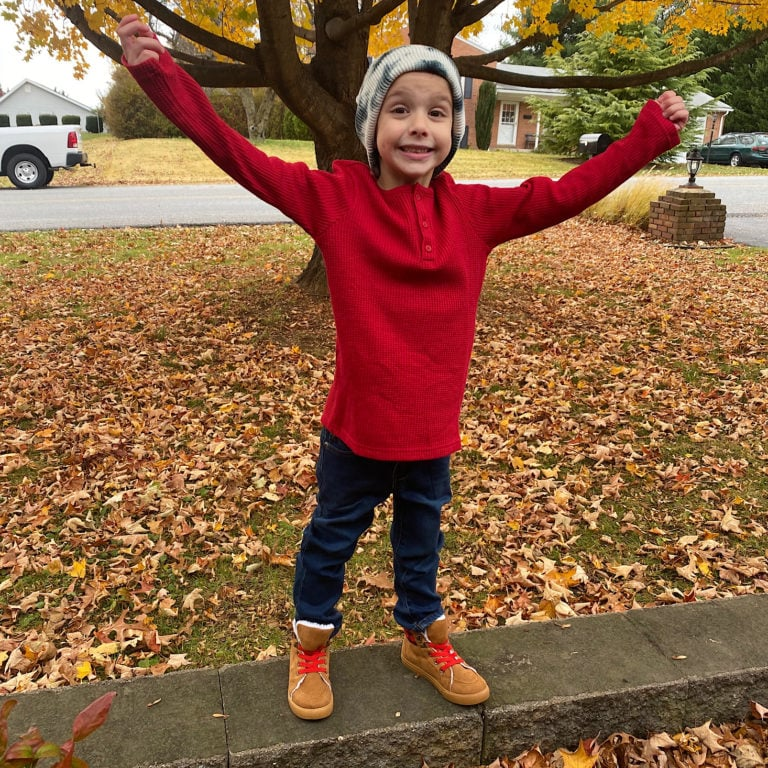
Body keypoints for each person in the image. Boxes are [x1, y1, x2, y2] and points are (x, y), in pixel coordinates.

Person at [116, 14, 689, 721]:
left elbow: (566, 192)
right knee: (330, 541)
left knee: (422, 545)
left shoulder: (475, 215)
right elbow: (239, 155)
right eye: (401, 109)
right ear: (372, 124)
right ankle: (312, 646)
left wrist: (649, 138)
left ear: (453, 132)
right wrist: (159, 74)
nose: (420, 125)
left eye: (438, 112)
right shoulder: (335, 201)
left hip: (430, 436)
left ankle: (421, 637)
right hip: (356, 435)